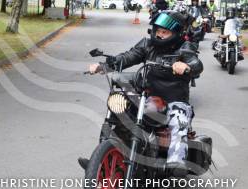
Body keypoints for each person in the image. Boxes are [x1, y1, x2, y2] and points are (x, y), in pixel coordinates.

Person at [80, 11, 203, 176]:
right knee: (120, 110)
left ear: (176, 33)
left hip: (174, 99)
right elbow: (128, 56)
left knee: (178, 116)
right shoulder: (147, 44)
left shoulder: (184, 48)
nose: (159, 35)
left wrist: (186, 66)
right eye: (158, 30)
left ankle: (177, 161)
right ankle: (101, 159)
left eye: (164, 32)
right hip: (147, 96)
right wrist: (104, 65)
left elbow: (196, 64)